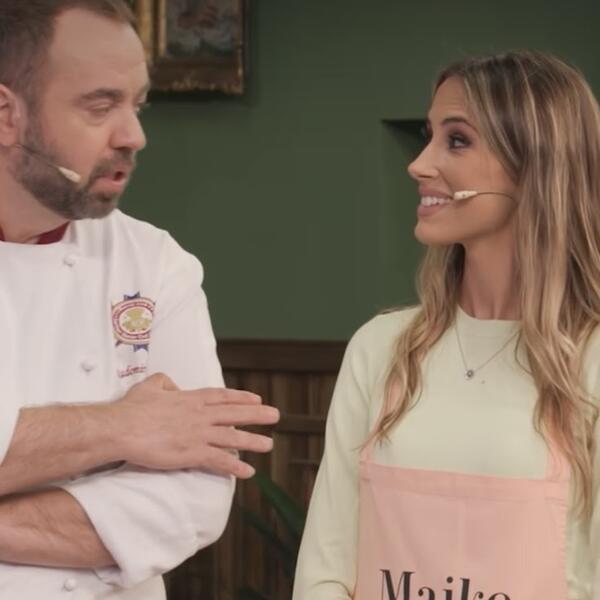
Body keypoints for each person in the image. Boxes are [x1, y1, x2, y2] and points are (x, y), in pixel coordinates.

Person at [293, 50, 600, 600]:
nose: (418, 163)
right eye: (428, 136)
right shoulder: (379, 348)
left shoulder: (591, 359)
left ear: (535, 163)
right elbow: (326, 567)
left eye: (456, 140)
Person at [0, 1, 279, 598]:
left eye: (138, 105)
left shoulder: (155, 263)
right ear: (6, 115)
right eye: (100, 106)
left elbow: (192, 500)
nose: (134, 136)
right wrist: (123, 427)